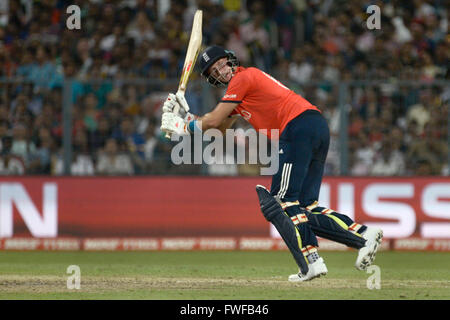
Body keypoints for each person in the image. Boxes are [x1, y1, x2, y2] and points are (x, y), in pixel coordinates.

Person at [161, 46, 383, 282]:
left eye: (223, 64)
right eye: (215, 71)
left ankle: (314, 261)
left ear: (231, 60)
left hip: (297, 127)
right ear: (212, 78)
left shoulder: (244, 78)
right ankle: (363, 235)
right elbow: (219, 127)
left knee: (282, 201)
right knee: (305, 205)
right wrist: (185, 115)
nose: (222, 71)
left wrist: (181, 127)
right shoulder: (238, 92)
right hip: (314, 126)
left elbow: (213, 119)